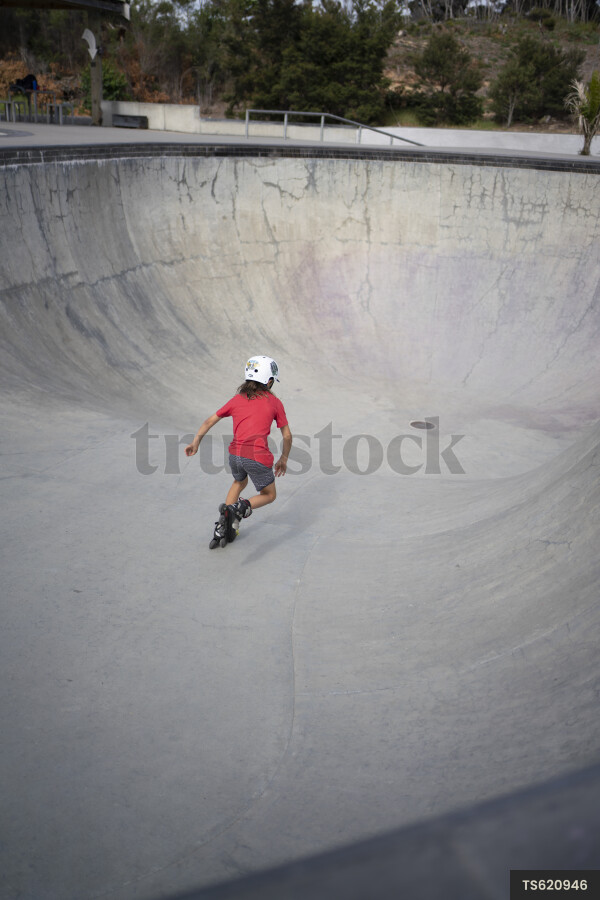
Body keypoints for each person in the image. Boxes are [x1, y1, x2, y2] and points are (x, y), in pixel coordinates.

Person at [185, 356, 292, 544]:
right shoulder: (275, 403)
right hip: (257, 456)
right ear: (269, 381)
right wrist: (283, 458)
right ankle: (243, 507)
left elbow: (209, 421)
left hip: (235, 455)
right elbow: (287, 436)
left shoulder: (237, 399)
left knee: (238, 482)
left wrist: (195, 443)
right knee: (269, 495)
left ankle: (222, 526)